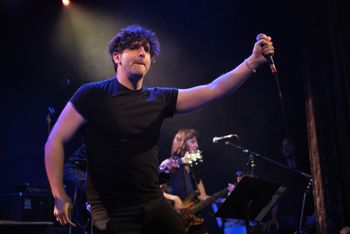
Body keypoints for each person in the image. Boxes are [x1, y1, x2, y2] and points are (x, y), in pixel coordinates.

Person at [44, 24, 274, 234]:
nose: (142, 53)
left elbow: (214, 89)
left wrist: (252, 62)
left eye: (146, 50)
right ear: (117, 57)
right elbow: (55, 140)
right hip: (114, 210)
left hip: (153, 203)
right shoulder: (93, 94)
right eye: (134, 48)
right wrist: (58, 194)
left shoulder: (159, 98)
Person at [160, 129, 210, 234]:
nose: (197, 145)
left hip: (194, 220)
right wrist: (174, 198)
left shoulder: (193, 167)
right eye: (192, 142)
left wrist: (226, 195)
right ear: (182, 144)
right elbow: (154, 190)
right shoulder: (168, 164)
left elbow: (203, 197)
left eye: (196, 142)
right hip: (175, 220)